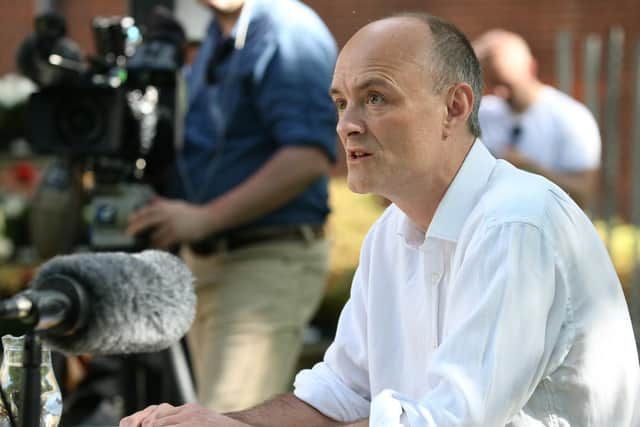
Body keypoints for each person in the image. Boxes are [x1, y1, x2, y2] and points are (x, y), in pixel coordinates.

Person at [121, 12, 640, 427]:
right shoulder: (388, 234)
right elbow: (338, 395)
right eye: (341, 102)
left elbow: (448, 422)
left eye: (375, 98)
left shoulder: (515, 224)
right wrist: (221, 422)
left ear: (455, 107)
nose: (347, 125)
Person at [126, 0, 338, 412]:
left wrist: (203, 219)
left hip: (263, 262)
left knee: (226, 420)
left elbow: (309, 157)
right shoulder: (217, 33)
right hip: (210, 264)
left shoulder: (287, 29)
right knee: (213, 415)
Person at [473, 29, 601, 208]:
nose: (499, 93)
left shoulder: (571, 117)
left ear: (531, 68)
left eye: (506, 83)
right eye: (491, 84)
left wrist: (530, 169)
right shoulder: (482, 113)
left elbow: (584, 194)